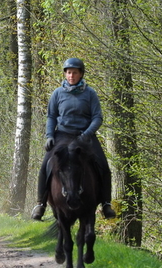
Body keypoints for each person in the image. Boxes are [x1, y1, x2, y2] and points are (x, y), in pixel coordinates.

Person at [31, 57, 116, 220]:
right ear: (65, 74)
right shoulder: (57, 93)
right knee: (46, 165)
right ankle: (40, 204)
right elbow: (51, 117)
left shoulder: (90, 94)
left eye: (75, 73)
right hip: (62, 134)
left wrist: (87, 134)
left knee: (103, 166)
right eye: (69, 73)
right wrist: (49, 136)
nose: (71, 76)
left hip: (85, 136)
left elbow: (97, 117)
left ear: (81, 74)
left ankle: (106, 204)